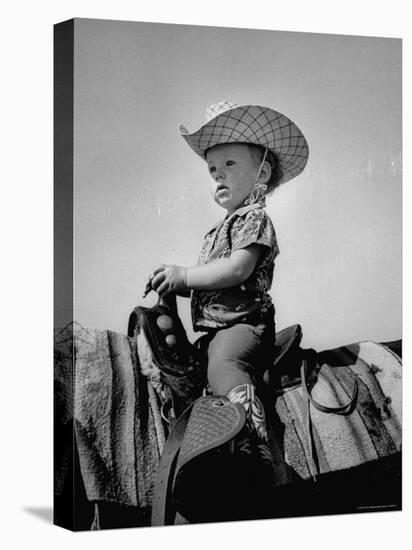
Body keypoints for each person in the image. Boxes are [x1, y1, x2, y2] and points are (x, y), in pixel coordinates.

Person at [146, 100, 309, 482]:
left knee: (224, 365)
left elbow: (237, 269)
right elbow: (212, 286)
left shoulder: (254, 219)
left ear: (262, 172)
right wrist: (175, 286)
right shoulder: (216, 230)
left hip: (244, 328)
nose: (218, 175)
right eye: (213, 169)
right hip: (217, 329)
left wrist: (185, 275)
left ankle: (253, 444)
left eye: (230, 165)